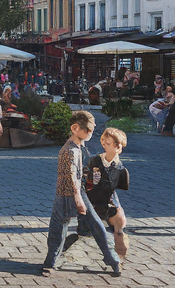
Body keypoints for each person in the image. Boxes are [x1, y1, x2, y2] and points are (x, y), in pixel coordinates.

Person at [42, 110, 122, 277]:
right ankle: (50, 262)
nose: (91, 134)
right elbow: (71, 174)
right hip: (69, 194)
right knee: (59, 229)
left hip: (76, 193)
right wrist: (78, 198)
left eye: (92, 130)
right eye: (89, 130)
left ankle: (111, 258)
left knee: (92, 226)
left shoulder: (80, 147)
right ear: (75, 128)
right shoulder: (69, 150)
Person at [84, 127, 131, 260]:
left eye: (117, 145)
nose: (114, 148)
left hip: (107, 203)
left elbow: (114, 191)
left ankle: (118, 255)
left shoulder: (120, 169)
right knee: (84, 232)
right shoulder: (94, 162)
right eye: (108, 143)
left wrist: (117, 206)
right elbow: (86, 185)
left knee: (120, 222)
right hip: (90, 202)